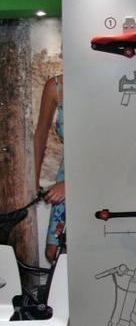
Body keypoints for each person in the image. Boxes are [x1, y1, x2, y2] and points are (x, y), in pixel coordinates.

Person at [34, 74, 65, 263]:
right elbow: (40, 134)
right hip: (66, 169)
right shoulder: (55, 85)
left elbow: (110, 141)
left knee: (80, 250)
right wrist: (34, 181)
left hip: (98, 172)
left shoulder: (103, 82)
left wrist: (72, 183)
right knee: (53, 252)